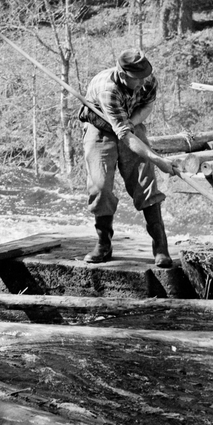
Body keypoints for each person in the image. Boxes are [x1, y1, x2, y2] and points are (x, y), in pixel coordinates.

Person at [78, 48, 179, 267]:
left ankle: (161, 247)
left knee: (145, 182)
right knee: (100, 187)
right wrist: (157, 158)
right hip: (101, 128)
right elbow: (123, 136)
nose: (144, 82)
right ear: (123, 74)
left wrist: (133, 123)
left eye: (145, 77)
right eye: (137, 79)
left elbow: (147, 106)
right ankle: (104, 244)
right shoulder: (109, 89)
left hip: (129, 123)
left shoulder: (147, 79)